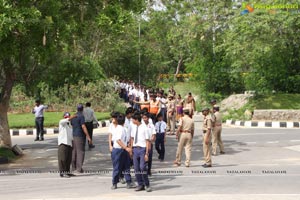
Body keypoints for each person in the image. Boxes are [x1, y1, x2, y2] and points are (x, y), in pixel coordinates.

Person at [111, 114, 135, 190]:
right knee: (117, 167)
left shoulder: (123, 128)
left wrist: (127, 147)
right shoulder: (119, 129)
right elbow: (118, 140)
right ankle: (114, 183)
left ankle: (128, 181)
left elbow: (126, 140)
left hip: (124, 150)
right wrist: (126, 148)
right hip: (118, 150)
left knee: (126, 166)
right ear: (124, 121)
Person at [130, 112, 152, 192]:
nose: (132, 120)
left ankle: (147, 184)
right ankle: (140, 184)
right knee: (136, 168)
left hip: (142, 149)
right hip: (135, 149)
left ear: (136, 120)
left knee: (142, 167)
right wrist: (131, 149)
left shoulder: (145, 128)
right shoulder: (133, 127)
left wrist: (147, 153)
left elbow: (147, 141)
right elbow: (132, 138)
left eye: (133, 119)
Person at [71, 104, 92, 174]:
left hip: (73, 135)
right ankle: (79, 168)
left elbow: (71, 124)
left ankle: (73, 167)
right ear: (82, 109)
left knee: (74, 151)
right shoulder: (81, 116)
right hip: (80, 136)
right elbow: (83, 126)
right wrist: (88, 137)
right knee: (80, 152)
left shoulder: (73, 116)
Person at [58, 112, 76, 178]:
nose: (67, 118)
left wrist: (72, 142)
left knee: (68, 159)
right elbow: (66, 120)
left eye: (68, 116)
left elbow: (71, 135)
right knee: (62, 159)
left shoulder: (70, 125)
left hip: (69, 143)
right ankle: (62, 173)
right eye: (66, 117)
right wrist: (72, 117)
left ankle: (67, 172)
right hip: (63, 143)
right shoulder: (62, 122)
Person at [142, 112, 156, 176]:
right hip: (142, 144)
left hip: (150, 143)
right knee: (143, 157)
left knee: (149, 157)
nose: (144, 119)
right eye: (143, 118)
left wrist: (151, 141)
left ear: (148, 118)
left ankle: (149, 170)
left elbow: (154, 134)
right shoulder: (141, 125)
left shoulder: (151, 125)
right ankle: (143, 170)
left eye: (145, 118)